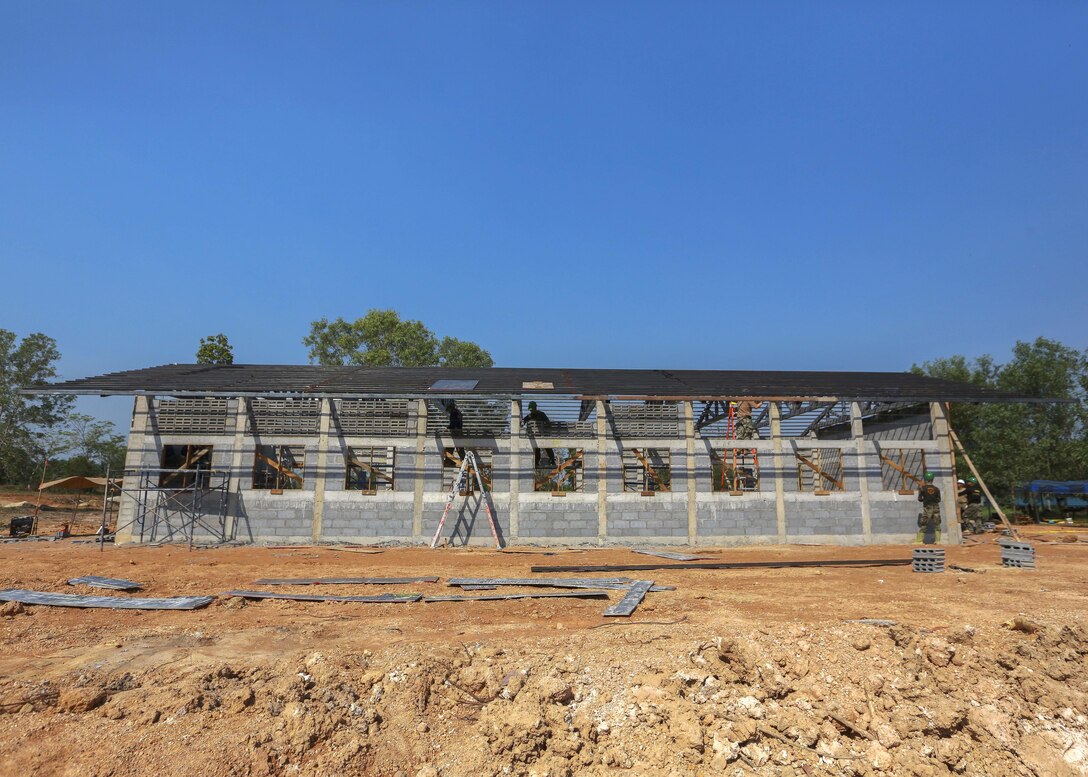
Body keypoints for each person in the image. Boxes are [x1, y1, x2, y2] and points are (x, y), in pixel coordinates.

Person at [917, 471, 942, 544]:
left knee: (924, 523)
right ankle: (938, 541)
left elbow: (920, 499)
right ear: (932, 479)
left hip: (928, 507)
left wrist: (925, 498)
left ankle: (919, 541)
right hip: (936, 507)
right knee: (937, 523)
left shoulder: (922, 488)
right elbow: (939, 499)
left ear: (925, 479)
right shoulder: (937, 489)